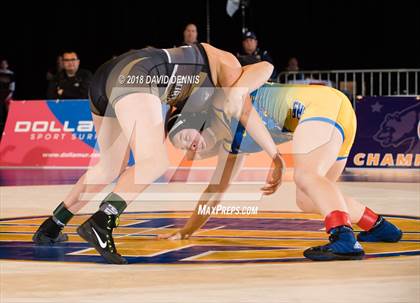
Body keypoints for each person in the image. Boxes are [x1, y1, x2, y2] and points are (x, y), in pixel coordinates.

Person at [32, 43, 283, 264]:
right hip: (137, 75)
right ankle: (101, 222)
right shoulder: (230, 65)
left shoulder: (199, 94)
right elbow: (250, 100)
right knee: (154, 162)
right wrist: (276, 157)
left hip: (109, 76)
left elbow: (172, 125)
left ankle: (53, 226)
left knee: (110, 167)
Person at [161, 82, 403, 261]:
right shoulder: (230, 146)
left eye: (185, 137)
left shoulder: (226, 106)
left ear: (194, 121)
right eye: (183, 148)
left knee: (305, 176)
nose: (190, 149)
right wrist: (186, 230)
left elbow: (252, 70)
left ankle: (344, 239)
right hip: (336, 112)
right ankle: (379, 227)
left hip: (319, 106)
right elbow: (214, 191)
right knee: (309, 198)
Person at [0, 58, 15, 140]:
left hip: (8, 94)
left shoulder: (11, 74)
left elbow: (12, 84)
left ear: (7, 65)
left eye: (4, 63)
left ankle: (10, 123)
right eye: (2, 63)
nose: (3, 65)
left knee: (8, 109)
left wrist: (10, 94)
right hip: (0, 93)